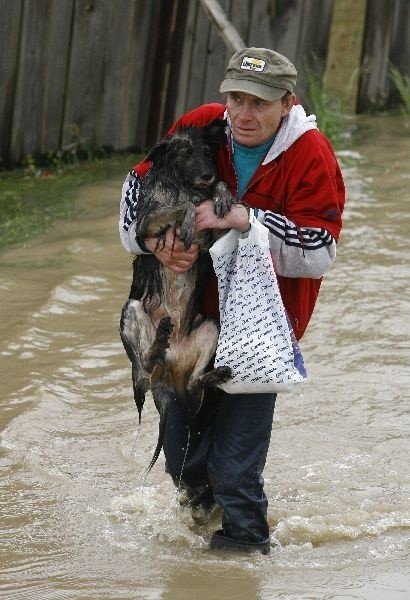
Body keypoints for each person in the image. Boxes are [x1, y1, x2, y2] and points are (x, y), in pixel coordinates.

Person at [119, 48, 345, 555]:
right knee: (182, 467)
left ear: (287, 102)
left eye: (259, 103)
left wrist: (247, 220)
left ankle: (243, 559)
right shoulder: (200, 127)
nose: (243, 115)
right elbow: (137, 188)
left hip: (257, 335)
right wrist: (152, 241)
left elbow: (318, 252)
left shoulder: (312, 154)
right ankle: (199, 559)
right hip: (183, 326)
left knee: (234, 472)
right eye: (236, 99)